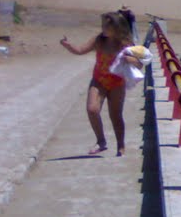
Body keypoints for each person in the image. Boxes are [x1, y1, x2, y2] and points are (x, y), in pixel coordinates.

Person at [59, 11, 138, 156]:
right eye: (103, 26)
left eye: (107, 26)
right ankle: (101, 141)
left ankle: (121, 145)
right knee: (92, 109)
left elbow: (139, 64)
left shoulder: (125, 44)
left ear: (117, 27)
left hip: (117, 83)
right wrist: (68, 45)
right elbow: (80, 50)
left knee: (115, 115)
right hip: (99, 81)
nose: (103, 29)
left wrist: (130, 60)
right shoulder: (99, 40)